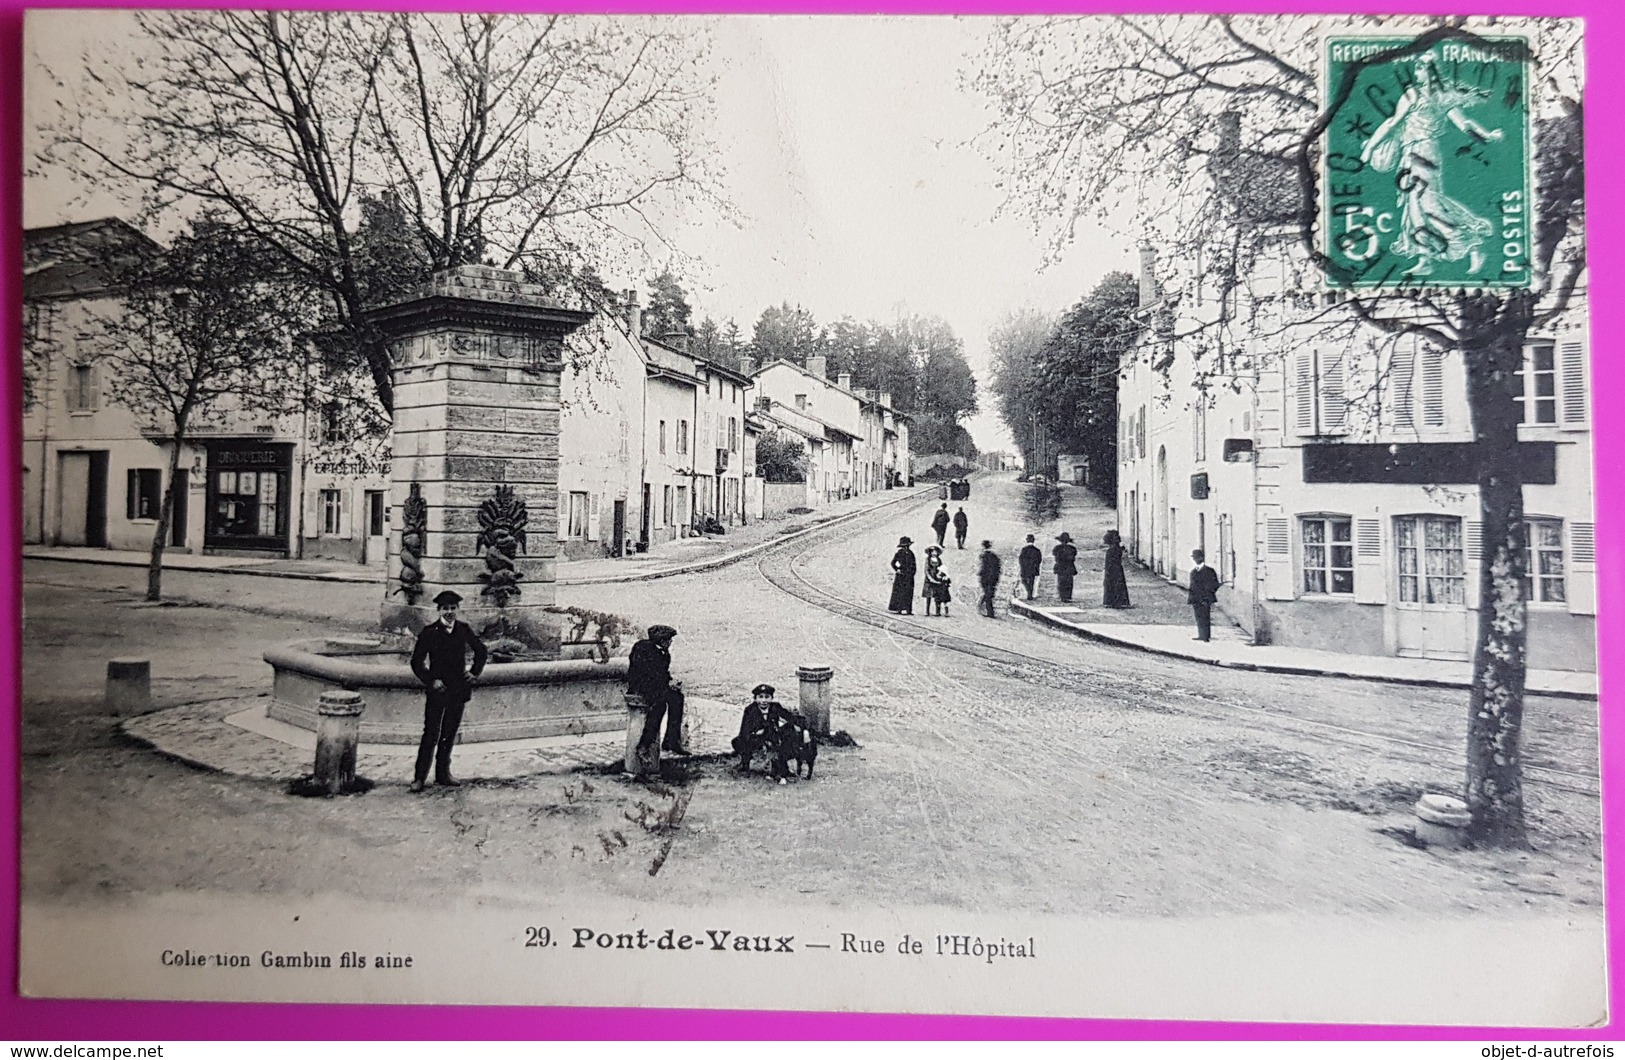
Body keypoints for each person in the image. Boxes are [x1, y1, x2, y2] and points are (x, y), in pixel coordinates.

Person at [1360, 57, 1501, 278]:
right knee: (1413, 206)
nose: (1417, 72)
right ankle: (1424, 258)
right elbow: (1392, 122)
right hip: (1412, 154)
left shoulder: (1434, 96)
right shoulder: (1418, 95)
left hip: (1424, 154)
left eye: (1421, 68)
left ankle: (1471, 244)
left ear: (1432, 71)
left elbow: (1463, 124)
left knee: (1429, 203)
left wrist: (1487, 135)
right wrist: (1371, 147)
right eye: (1418, 68)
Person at [409, 590, 488, 792]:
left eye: (453, 608)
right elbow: (416, 662)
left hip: (457, 690)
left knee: (449, 733)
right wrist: (431, 680)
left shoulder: (463, 629)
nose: (449, 612)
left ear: (457, 609)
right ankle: (419, 778)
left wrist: (474, 673)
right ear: (439, 610)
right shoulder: (429, 632)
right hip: (437, 690)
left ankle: (443, 774)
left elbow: (481, 650)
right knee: (430, 733)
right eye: (445, 608)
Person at [627, 624, 687, 758]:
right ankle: (644, 745)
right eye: (669, 640)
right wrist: (665, 685)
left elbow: (663, 674)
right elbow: (644, 674)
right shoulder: (643, 649)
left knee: (677, 698)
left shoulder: (664, 653)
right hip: (640, 687)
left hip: (655, 687)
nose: (671, 642)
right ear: (662, 640)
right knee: (659, 706)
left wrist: (671, 683)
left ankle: (672, 740)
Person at [733, 683, 788, 775]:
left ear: (772, 698)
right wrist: (755, 733)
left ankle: (782, 767)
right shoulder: (750, 710)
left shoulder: (776, 707)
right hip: (756, 737)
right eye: (760, 697)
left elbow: (791, 718)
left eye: (767, 697)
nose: (764, 700)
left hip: (772, 737)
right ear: (755, 699)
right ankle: (745, 764)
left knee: (785, 740)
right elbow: (744, 730)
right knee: (739, 742)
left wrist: (804, 730)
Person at [1188, 549, 1221, 642]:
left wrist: (1208, 596)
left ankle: (1205, 636)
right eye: (1194, 558)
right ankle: (1201, 635)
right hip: (1196, 599)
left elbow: (1215, 584)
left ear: (1202, 558)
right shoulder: (1193, 571)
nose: (1195, 560)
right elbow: (1192, 586)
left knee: (1205, 616)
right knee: (1198, 617)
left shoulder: (1209, 571)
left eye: (1197, 557)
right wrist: (1191, 598)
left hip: (1205, 598)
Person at [1102, 529, 1131, 608]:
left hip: (1112, 570)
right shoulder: (1117, 549)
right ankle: (1119, 601)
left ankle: (1112, 601)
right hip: (1117, 569)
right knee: (1117, 584)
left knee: (1112, 584)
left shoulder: (1111, 550)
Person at [888, 536, 917, 614]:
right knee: (900, 592)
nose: (906, 548)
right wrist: (897, 569)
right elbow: (893, 562)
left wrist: (913, 573)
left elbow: (914, 565)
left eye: (907, 546)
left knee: (909, 592)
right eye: (904, 546)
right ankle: (899, 608)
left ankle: (908, 610)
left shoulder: (911, 554)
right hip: (901, 576)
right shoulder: (899, 553)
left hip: (909, 576)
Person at [922, 545, 952, 616]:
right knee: (928, 595)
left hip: (937, 578)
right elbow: (926, 570)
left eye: (935, 551)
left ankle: (937, 611)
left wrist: (941, 576)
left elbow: (942, 569)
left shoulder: (939, 560)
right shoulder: (928, 560)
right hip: (929, 580)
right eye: (932, 551)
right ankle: (927, 611)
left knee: (937, 596)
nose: (934, 553)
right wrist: (930, 578)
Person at [977, 540, 1002, 618]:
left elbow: (984, 568)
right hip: (993, 578)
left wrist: (981, 574)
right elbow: (998, 568)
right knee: (989, 594)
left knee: (988, 595)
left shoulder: (985, 556)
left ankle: (989, 611)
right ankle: (985, 608)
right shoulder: (994, 556)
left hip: (987, 578)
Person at [1052, 532, 1079, 603]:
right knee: (1069, 582)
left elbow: (1055, 556)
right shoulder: (1072, 548)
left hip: (1060, 567)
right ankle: (1068, 596)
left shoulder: (1057, 548)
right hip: (1069, 567)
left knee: (1061, 582)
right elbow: (1073, 557)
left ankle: (1063, 596)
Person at [1017, 534, 1043, 600]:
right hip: (1033, 568)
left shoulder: (1024, 549)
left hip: (1025, 568)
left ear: (1027, 540)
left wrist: (1022, 566)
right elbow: (1039, 560)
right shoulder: (1037, 550)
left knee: (1024, 581)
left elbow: (1021, 559)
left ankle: (1029, 593)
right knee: (1032, 582)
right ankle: (1030, 594)